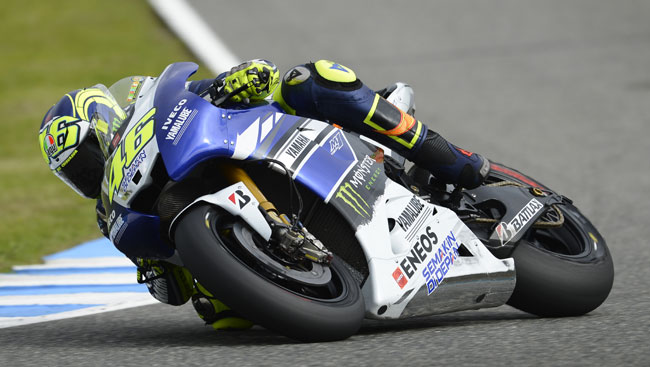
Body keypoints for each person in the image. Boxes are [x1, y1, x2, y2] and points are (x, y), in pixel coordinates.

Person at [38, 59, 490, 331]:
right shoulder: (115, 212)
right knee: (222, 317)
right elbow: (170, 293)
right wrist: (154, 268)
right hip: (246, 241)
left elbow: (252, 79)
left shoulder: (159, 109)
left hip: (282, 141)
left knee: (310, 78)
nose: (88, 175)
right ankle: (310, 278)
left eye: (86, 159)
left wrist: (241, 80)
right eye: (76, 174)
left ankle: (454, 160)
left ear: (103, 121)